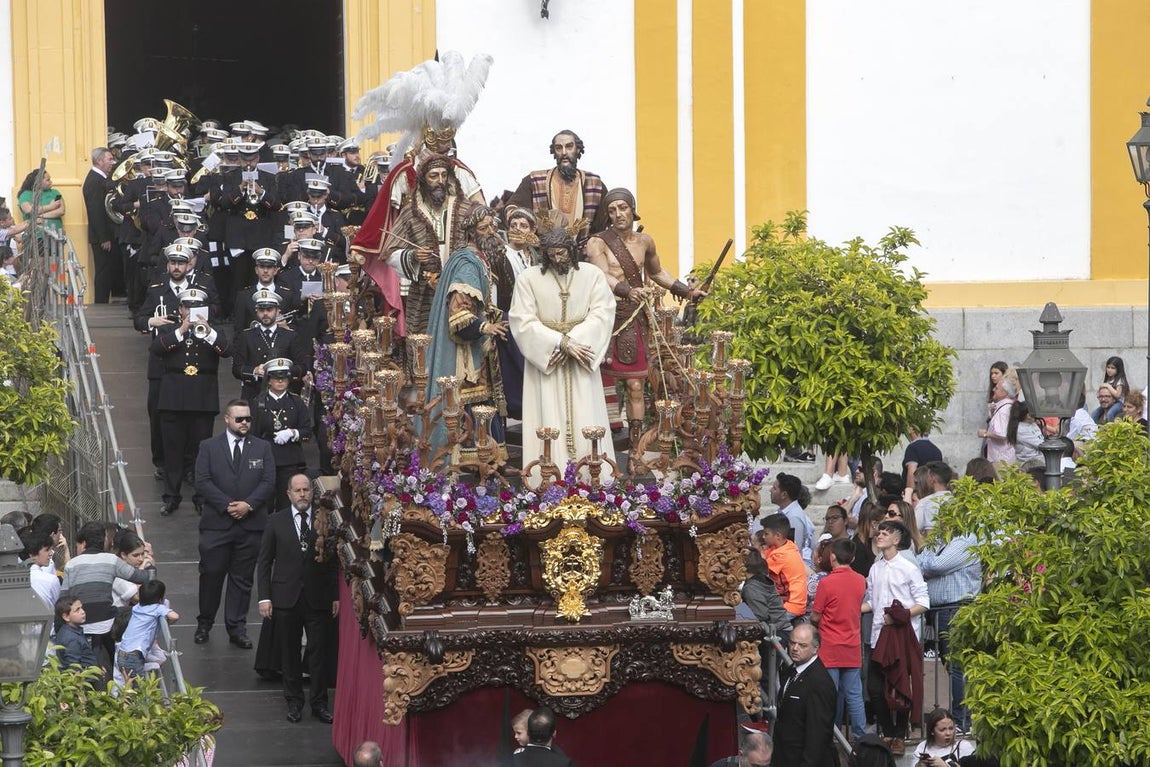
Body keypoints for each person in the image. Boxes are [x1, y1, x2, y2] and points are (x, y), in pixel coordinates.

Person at [585, 188, 705, 442]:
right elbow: (601, 275)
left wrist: (688, 292)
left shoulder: (645, 242)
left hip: (633, 321)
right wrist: (628, 290)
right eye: (612, 210)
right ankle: (593, 444)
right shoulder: (598, 243)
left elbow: (658, 272)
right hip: (604, 318)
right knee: (593, 386)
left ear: (632, 209)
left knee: (636, 387)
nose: (618, 214)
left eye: (623, 208)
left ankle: (635, 447)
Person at [509, 224, 617, 479]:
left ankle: (592, 476)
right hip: (549, 360)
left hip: (581, 357)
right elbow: (522, 320)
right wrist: (559, 343)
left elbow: (603, 311)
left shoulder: (591, 275)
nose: (558, 259)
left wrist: (576, 341)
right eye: (552, 254)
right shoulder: (528, 278)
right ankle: (547, 479)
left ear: (571, 250)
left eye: (562, 253)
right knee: (547, 416)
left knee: (586, 413)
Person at [422, 203, 508, 464]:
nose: (492, 232)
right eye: (484, 228)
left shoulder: (475, 259)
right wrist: (485, 327)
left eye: (493, 225)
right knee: (471, 408)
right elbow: (459, 316)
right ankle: (469, 466)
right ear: (472, 233)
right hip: (466, 358)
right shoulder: (469, 264)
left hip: (478, 352)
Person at [193, 399, 276, 648]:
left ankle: (237, 628)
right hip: (217, 525)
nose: (244, 423)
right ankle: (204, 623)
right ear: (227, 419)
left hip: (250, 527)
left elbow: (269, 481)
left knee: (242, 579)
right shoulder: (208, 447)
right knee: (211, 575)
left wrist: (248, 505)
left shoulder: (262, 448)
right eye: (239, 419)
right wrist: (228, 505)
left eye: (248, 419)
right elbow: (202, 480)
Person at [257, 474, 338, 724]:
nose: (302, 494)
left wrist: (335, 596)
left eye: (306, 490)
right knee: (289, 653)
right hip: (285, 597)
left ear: (311, 493)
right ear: (289, 494)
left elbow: (333, 561)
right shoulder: (275, 521)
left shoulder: (325, 519)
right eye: (297, 490)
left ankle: (319, 703)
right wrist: (264, 598)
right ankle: (293, 702)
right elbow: (264, 561)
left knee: (318, 652)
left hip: (317, 598)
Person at [153, 287, 231, 515]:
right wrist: (181, 330)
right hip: (173, 397)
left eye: (196, 307)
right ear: (180, 308)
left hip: (202, 397)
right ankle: (171, 496)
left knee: (201, 451)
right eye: (187, 306)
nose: (190, 311)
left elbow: (227, 351)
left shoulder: (212, 331)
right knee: (173, 451)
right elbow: (157, 349)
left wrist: (207, 332)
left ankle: (201, 496)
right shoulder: (169, 328)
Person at [862, 520, 930, 756]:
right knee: (875, 686)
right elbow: (872, 600)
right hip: (878, 635)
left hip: (902, 636)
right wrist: (854, 608)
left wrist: (901, 616)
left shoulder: (908, 567)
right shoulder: (875, 568)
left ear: (896, 539)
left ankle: (899, 734)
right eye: (879, 532)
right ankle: (889, 732)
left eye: (885, 533)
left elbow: (923, 602)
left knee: (901, 687)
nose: (879, 536)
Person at [60, 521, 152, 676]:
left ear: (84, 543)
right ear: (103, 541)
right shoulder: (111, 560)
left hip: (82, 623)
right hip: (107, 622)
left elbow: (63, 597)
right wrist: (149, 563)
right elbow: (138, 576)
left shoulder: (71, 565)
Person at [917, 529, 981, 733]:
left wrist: (928, 558)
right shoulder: (943, 539)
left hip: (957, 608)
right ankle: (963, 717)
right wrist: (928, 559)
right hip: (941, 611)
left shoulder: (966, 539)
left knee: (957, 666)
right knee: (951, 664)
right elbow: (919, 564)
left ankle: (963, 721)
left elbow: (936, 565)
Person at [811, 538, 868, 740]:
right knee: (854, 696)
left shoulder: (826, 583)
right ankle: (861, 738)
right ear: (852, 557)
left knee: (830, 695)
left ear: (832, 556)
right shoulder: (861, 580)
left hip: (830, 646)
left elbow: (815, 615)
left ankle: (831, 736)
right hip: (852, 645)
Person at [508, 130, 606, 240]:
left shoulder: (594, 184)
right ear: (554, 152)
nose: (564, 152)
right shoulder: (535, 181)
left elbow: (605, 224)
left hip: (583, 253)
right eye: (559, 148)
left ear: (578, 149)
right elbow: (512, 208)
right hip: (544, 253)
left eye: (569, 147)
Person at [250, 358, 312, 511]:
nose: (280, 381)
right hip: (266, 457)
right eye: (276, 378)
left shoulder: (296, 402)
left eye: (283, 378)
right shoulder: (258, 402)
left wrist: (293, 432)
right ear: (269, 380)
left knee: (286, 503)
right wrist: (254, 464)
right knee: (265, 502)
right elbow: (253, 435)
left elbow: (307, 431)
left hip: (290, 459)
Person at [772, 624, 838, 767]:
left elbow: (818, 735)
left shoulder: (819, 682)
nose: (795, 649)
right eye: (792, 643)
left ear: (815, 648)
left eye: (802, 645)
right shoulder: (791, 670)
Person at [115, 579, 178, 682]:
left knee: (129, 686)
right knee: (141, 690)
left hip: (122, 654)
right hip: (133, 656)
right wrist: (166, 622)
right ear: (160, 598)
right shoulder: (157, 608)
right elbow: (175, 616)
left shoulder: (137, 607)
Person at [83, 146, 120, 303]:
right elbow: (96, 212)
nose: (113, 162)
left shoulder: (100, 179)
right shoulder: (94, 181)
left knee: (109, 271)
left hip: (106, 235)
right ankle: (101, 304)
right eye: (109, 159)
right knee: (104, 272)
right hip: (102, 237)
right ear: (99, 161)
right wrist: (104, 237)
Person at [757, 514, 807, 625]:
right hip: (784, 601)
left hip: (791, 605)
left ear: (778, 536)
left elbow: (758, 566)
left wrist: (756, 546)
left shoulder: (782, 555)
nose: (763, 537)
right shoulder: (785, 545)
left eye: (766, 534)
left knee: (761, 625)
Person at [760, 473, 815, 566]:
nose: (770, 490)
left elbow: (794, 548)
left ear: (784, 494)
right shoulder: (782, 511)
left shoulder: (794, 517)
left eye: (774, 488)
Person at [911, 708, 975, 766]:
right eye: (942, 730)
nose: (948, 733)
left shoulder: (963, 747)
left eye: (951, 728)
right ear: (932, 731)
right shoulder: (923, 747)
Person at [54, 596, 100, 671]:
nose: (83, 612)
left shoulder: (72, 630)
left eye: (81, 608)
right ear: (66, 617)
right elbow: (74, 667)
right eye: (77, 610)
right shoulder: (71, 639)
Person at [977, 378, 1016, 463]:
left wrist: (984, 434)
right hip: (1006, 457)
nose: (993, 389)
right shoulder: (1008, 407)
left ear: (1004, 393)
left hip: (1001, 459)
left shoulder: (1003, 411)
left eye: (997, 388)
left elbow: (1002, 435)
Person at [20, 529, 60, 611]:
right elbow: (58, 607)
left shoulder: (17, 578)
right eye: (47, 550)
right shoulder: (51, 580)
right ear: (32, 555)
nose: (51, 553)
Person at [911, 461, 954, 535]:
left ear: (932, 478)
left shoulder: (926, 502)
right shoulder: (955, 500)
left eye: (927, 476)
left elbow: (913, 529)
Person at [17, 168, 65, 232]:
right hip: (37, 234)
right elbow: (29, 210)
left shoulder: (54, 192)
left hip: (56, 233)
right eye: (48, 180)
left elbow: (61, 211)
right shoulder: (26, 194)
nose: (51, 182)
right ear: (38, 182)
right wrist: (51, 207)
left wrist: (39, 215)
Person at [901, 430, 942, 503]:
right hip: (933, 496)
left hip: (918, 495)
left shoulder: (913, 448)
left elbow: (912, 473)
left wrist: (909, 496)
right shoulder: (936, 450)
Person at [1006, 400, 1044, 468]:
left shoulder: (1033, 424)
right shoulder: (1021, 430)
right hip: (1029, 464)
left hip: (1040, 461)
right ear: (1028, 415)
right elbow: (1040, 445)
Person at [1090, 355, 1128, 424]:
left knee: (1110, 414)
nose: (1109, 370)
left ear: (1118, 369)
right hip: (1112, 403)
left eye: (1113, 368)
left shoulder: (1120, 380)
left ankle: (1111, 428)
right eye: (1108, 367)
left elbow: (1117, 395)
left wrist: (1107, 386)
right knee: (1094, 414)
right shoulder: (1109, 379)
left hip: (1119, 403)